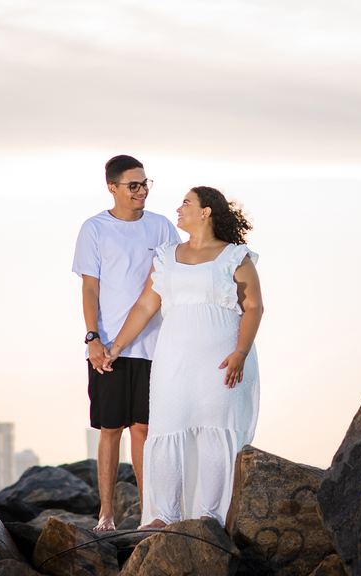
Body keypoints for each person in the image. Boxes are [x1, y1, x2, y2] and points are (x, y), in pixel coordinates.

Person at [104, 186, 263, 528]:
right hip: (173, 359)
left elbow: (253, 307)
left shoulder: (235, 256)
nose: (178, 208)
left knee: (214, 430)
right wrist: (115, 347)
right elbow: (145, 305)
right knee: (168, 425)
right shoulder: (166, 256)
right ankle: (164, 515)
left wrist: (241, 352)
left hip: (224, 360)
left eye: (186, 203)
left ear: (206, 211)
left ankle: (212, 516)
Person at [71, 154, 181, 531]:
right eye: (133, 185)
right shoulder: (94, 229)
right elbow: (89, 288)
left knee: (144, 430)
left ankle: (150, 512)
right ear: (113, 188)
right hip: (107, 347)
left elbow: (172, 282)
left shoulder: (162, 227)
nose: (141, 191)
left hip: (154, 346)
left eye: (145, 184)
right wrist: (92, 337)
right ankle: (106, 514)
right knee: (110, 429)